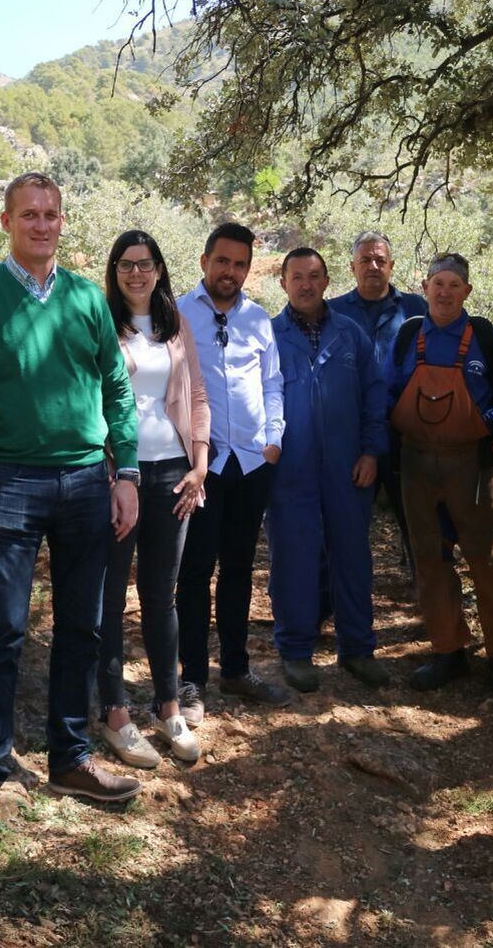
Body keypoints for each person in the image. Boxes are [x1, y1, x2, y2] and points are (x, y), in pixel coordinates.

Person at [0, 172, 142, 835]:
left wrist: (127, 471)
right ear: (6, 221)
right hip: (10, 483)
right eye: (30, 214)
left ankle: (69, 757)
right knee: (2, 630)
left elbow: (115, 388)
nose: (43, 224)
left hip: (86, 480)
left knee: (81, 626)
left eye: (52, 214)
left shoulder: (86, 299)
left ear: (62, 221)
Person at [95, 231, 208, 769]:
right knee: (111, 597)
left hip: (173, 475)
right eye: (125, 266)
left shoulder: (174, 324)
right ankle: (115, 713)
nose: (135, 274)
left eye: (144, 264)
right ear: (114, 273)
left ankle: (168, 707)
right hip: (118, 476)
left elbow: (198, 396)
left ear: (160, 269)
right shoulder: (99, 322)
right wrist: (115, 471)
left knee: (162, 595)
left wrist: (200, 464)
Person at [175, 222, 293, 718]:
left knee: (240, 568)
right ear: (205, 262)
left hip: (250, 463)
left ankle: (237, 670)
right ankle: (192, 680)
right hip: (201, 465)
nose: (230, 271)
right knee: (196, 569)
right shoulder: (177, 313)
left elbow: (272, 384)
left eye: (240, 264)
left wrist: (273, 439)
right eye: (222, 261)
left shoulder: (259, 319)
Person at [388, 253, 493, 694]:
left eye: (453, 285)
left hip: (475, 466)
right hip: (416, 465)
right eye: (437, 283)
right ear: (424, 287)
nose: (444, 292)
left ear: (467, 291)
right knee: (430, 561)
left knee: (489, 561)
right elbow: (388, 393)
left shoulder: (484, 336)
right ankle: (448, 653)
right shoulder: (408, 336)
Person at [266, 248, 390, 692]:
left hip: (346, 466)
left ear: (326, 280)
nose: (305, 284)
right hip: (290, 468)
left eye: (314, 276)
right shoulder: (270, 335)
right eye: (296, 277)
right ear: (283, 283)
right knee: (294, 558)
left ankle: (357, 648)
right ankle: (296, 650)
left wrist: (372, 451)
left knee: (352, 556)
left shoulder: (350, 334)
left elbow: (375, 397)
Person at [329, 231, 431, 573]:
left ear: (391, 266)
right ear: (352, 267)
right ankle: (337, 606)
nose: (373, 266)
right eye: (365, 261)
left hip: (407, 436)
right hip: (352, 438)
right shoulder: (333, 313)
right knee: (346, 527)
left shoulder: (417, 308)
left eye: (380, 260)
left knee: (420, 527)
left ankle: (429, 609)